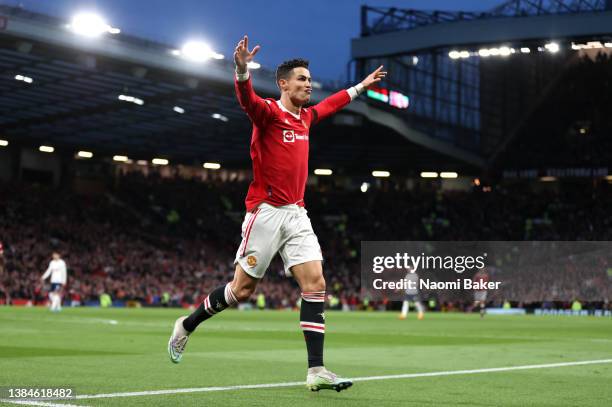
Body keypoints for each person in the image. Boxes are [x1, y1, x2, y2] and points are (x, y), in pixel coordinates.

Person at [168, 35, 386, 392]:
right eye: (301, 79)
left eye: (309, 79)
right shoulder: (269, 113)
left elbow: (332, 104)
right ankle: (187, 325)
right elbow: (246, 99)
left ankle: (316, 370)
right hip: (266, 212)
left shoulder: (306, 118)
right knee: (242, 291)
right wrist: (241, 69)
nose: (308, 84)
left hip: (297, 213)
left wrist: (361, 86)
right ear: (283, 84)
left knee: (316, 285)